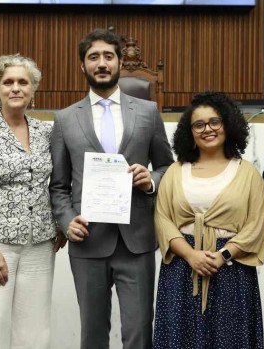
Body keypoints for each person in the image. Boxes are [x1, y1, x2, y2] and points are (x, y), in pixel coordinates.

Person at [49, 28, 174, 348]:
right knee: (92, 334)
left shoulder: (147, 112)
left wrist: (151, 181)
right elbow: (59, 185)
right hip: (88, 240)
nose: (101, 63)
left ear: (119, 62)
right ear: (83, 66)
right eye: (93, 57)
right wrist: (66, 221)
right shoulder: (64, 120)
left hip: (137, 241)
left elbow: (166, 167)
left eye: (108, 56)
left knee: (139, 332)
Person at [0, 54, 66, 349]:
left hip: (39, 245)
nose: (15, 88)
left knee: (33, 333)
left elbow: (57, 183)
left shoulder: (48, 132)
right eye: (8, 82)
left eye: (22, 82)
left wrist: (61, 224)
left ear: (33, 90)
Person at [153, 92, 264, 349]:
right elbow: (163, 218)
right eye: (199, 124)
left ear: (227, 124)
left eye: (214, 122)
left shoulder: (247, 173)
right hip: (182, 271)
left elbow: (256, 225)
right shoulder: (175, 171)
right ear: (189, 132)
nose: (208, 129)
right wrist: (191, 255)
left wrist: (222, 255)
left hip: (231, 270)